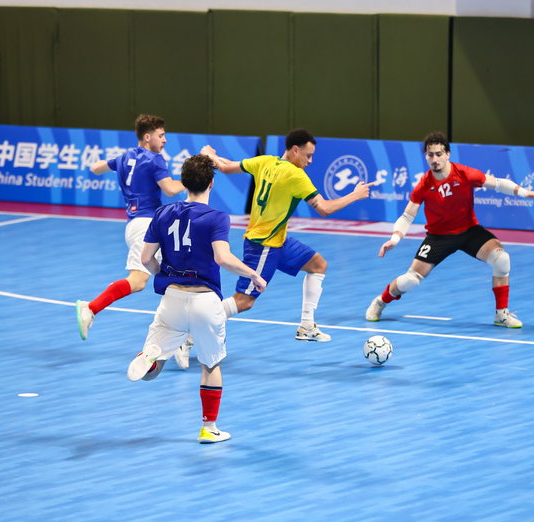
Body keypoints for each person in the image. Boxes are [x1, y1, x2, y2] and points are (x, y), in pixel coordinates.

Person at [126, 154, 267, 444]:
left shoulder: (162, 213)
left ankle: (151, 355)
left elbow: (146, 259)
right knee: (210, 366)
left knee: (152, 372)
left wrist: (162, 272)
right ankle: (209, 428)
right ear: (211, 184)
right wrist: (253, 274)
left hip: (172, 299)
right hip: (205, 302)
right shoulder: (216, 218)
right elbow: (223, 258)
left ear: (184, 182)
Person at [197, 128, 370, 344]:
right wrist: (355, 195)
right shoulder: (296, 175)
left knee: (318, 265)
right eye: (308, 155)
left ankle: (307, 326)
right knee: (244, 301)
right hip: (263, 245)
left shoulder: (265, 161)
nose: (310, 160)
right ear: (295, 150)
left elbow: (225, 166)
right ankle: (191, 332)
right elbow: (324, 208)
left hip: (279, 241)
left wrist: (210, 154)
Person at [365, 131, 534, 327]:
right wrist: (395, 239)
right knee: (411, 280)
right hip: (438, 237)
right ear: (425, 156)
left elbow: (498, 184)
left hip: (469, 231)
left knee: (502, 260)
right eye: (430, 154)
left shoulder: (464, 174)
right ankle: (380, 301)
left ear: (448, 154)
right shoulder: (424, 185)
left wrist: (524, 192)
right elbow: (407, 216)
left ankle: (501, 315)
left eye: (439, 153)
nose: (435, 159)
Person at [75, 115, 187, 360]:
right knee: (138, 281)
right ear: (147, 137)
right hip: (148, 226)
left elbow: (96, 168)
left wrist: (106, 168)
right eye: (161, 135)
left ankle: (180, 337)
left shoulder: (125, 157)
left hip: (136, 224)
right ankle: (91, 308)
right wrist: (189, 181)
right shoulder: (155, 159)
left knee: (175, 275)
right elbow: (169, 189)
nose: (165, 140)